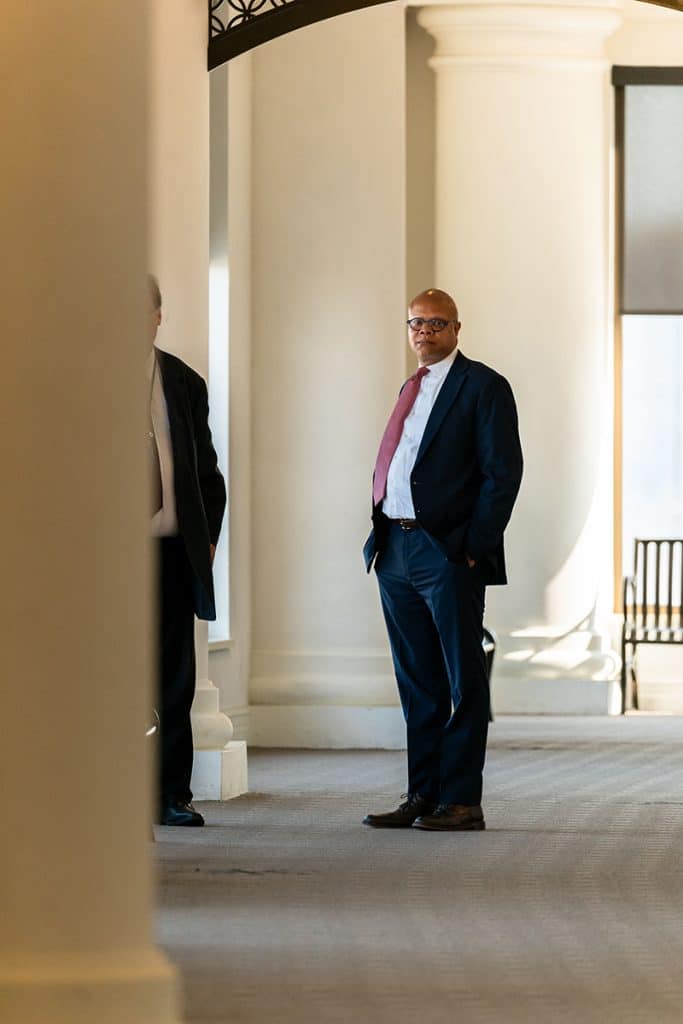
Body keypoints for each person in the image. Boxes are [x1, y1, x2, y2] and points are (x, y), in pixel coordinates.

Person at [362, 289, 522, 832]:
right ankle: (422, 794)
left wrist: (473, 546)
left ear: (457, 328)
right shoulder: (411, 386)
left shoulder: (483, 386)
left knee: (461, 678)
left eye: (435, 323)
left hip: (448, 550)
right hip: (395, 548)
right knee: (417, 680)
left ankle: (461, 799)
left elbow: (503, 474)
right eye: (416, 323)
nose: (424, 332)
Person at [147, 275, 226, 826]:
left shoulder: (182, 381)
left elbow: (205, 470)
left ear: (157, 315)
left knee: (173, 677)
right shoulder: (82, 379)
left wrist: (211, 537)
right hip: (105, 560)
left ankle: (171, 793)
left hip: (172, 552)